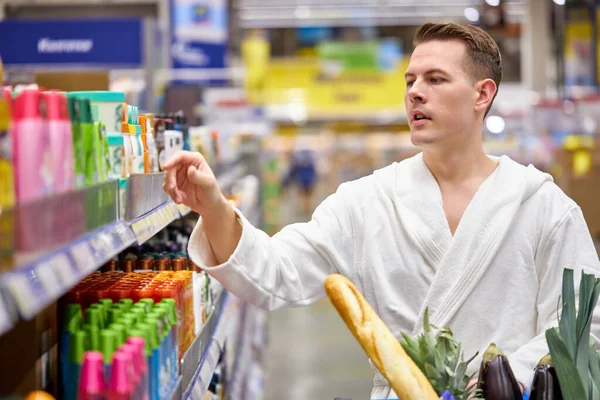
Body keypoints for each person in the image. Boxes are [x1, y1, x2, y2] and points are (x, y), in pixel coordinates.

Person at [163, 23, 600, 398]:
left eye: (435, 79)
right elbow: (275, 272)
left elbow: (584, 324)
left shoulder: (543, 206)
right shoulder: (369, 201)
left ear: (482, 94)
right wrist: (214, 206)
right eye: (410, 80)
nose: (415, 93)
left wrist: (501, 380)